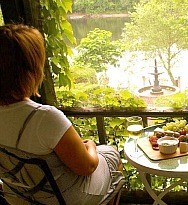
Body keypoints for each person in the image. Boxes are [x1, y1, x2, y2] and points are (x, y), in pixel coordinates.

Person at [0, 24, 124, 204]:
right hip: (64, 198)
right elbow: (87, 167)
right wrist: (91, 146)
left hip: (20, 197)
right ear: (31, 70)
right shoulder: (44, 118)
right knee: (111, 154)